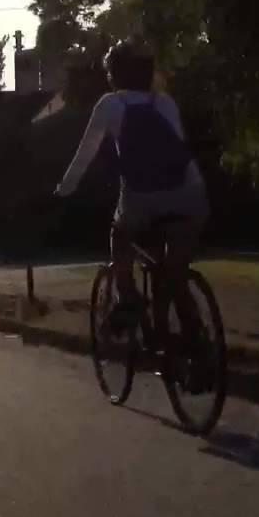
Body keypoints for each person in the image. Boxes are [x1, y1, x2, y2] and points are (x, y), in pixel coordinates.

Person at [54, 40, 208, 338]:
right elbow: (178, 146)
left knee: (120, 234)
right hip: (190, 194)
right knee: (174, 273)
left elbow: (84, 155)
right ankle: (196, 343)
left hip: (141, 199)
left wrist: (64, 189)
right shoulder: (164, 102)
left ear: (113, 74)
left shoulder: (111, 104)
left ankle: (128, 299)